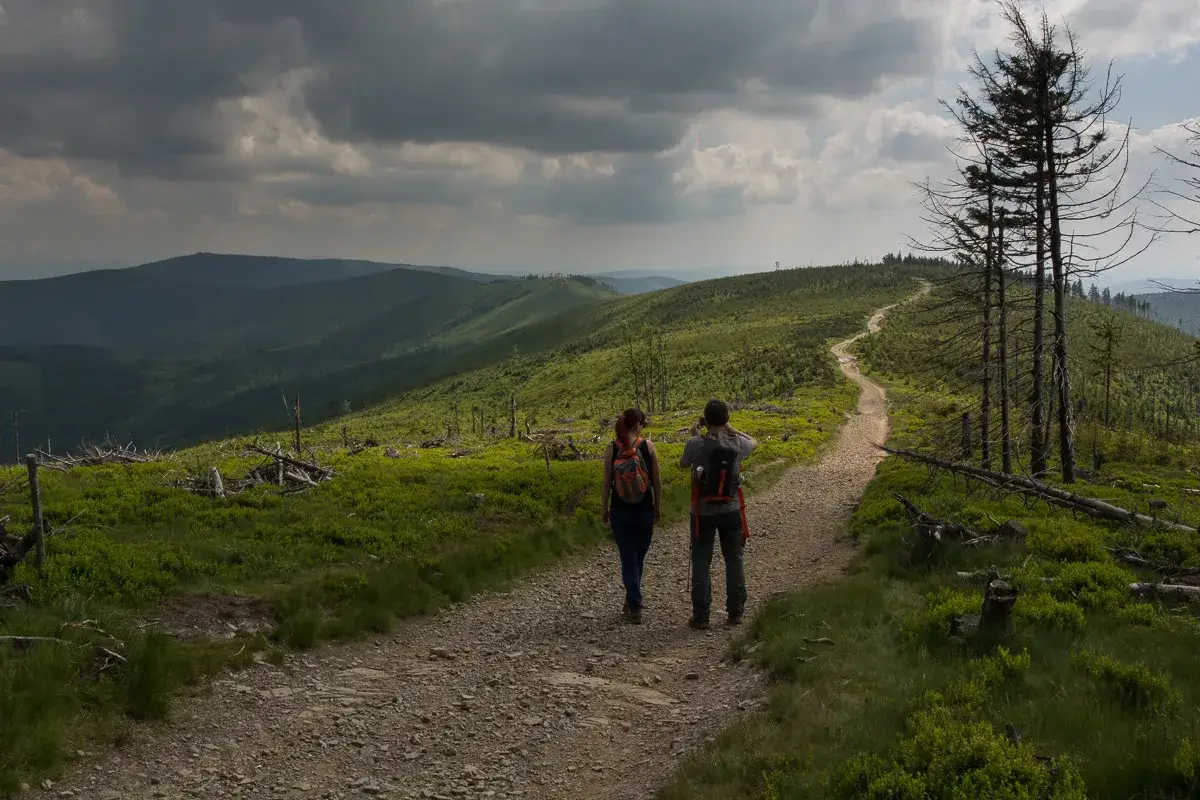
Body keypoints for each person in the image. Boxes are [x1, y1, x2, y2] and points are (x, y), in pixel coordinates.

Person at [679, 398, 758, 629]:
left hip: (702, 512)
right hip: (731, 509)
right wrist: (733, 430)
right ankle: (736, 613)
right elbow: (755, 442)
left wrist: (694, 435)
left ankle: (701, 616)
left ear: (706, 419)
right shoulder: (737, 443)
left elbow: (684, 464)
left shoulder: (697, 443)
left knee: (702, 560)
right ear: (726, 419)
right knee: (734, 559)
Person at [601, 408, 661, 624]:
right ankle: (634, 603)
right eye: (642, 423)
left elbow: (607, 483)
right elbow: (656, 481)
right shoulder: (648, 446)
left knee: (628, 557)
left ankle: (632, 601)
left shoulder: (612, 449)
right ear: (637, 425)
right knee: (638, 557)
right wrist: (657, 506)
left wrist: (604, 508)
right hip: (644, 510)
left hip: (620, 511)